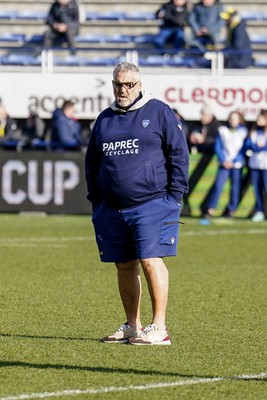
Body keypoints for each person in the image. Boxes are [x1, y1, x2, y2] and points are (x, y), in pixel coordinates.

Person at [85, 62, 189, 345]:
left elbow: (178, 153)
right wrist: (97, 201)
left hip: (153, 202)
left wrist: (175, 195)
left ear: (139, 85)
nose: (123, 89)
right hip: (111, 208)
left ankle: (159, 327)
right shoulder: (105, 118)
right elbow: (92, 163)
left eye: (129, 84)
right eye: (118, 84)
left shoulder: (159, 111)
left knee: (150, 260)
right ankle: (133, 325)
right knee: (124, 265)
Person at [203, 110, 248, 218]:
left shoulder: (244, 131)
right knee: (218, 186)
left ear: (239, 120)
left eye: (235, 118)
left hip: (237, 165)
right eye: (231, 118)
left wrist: (235, 160)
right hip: (224, 164)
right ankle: (210, 209)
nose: (232, 121)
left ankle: (231, 210)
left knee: (235, 188)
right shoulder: (222, 130)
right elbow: (218, 147)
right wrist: (223, 160)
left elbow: (244, 148)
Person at [245, 109, 267, 222]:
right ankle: (260, 211)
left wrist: (259, 147)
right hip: (255, 164)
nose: (259, 120)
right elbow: (248, 145)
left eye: (262, 118)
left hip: (265, 165)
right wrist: (257, 147)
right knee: (257, 189)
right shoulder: (254, 132)